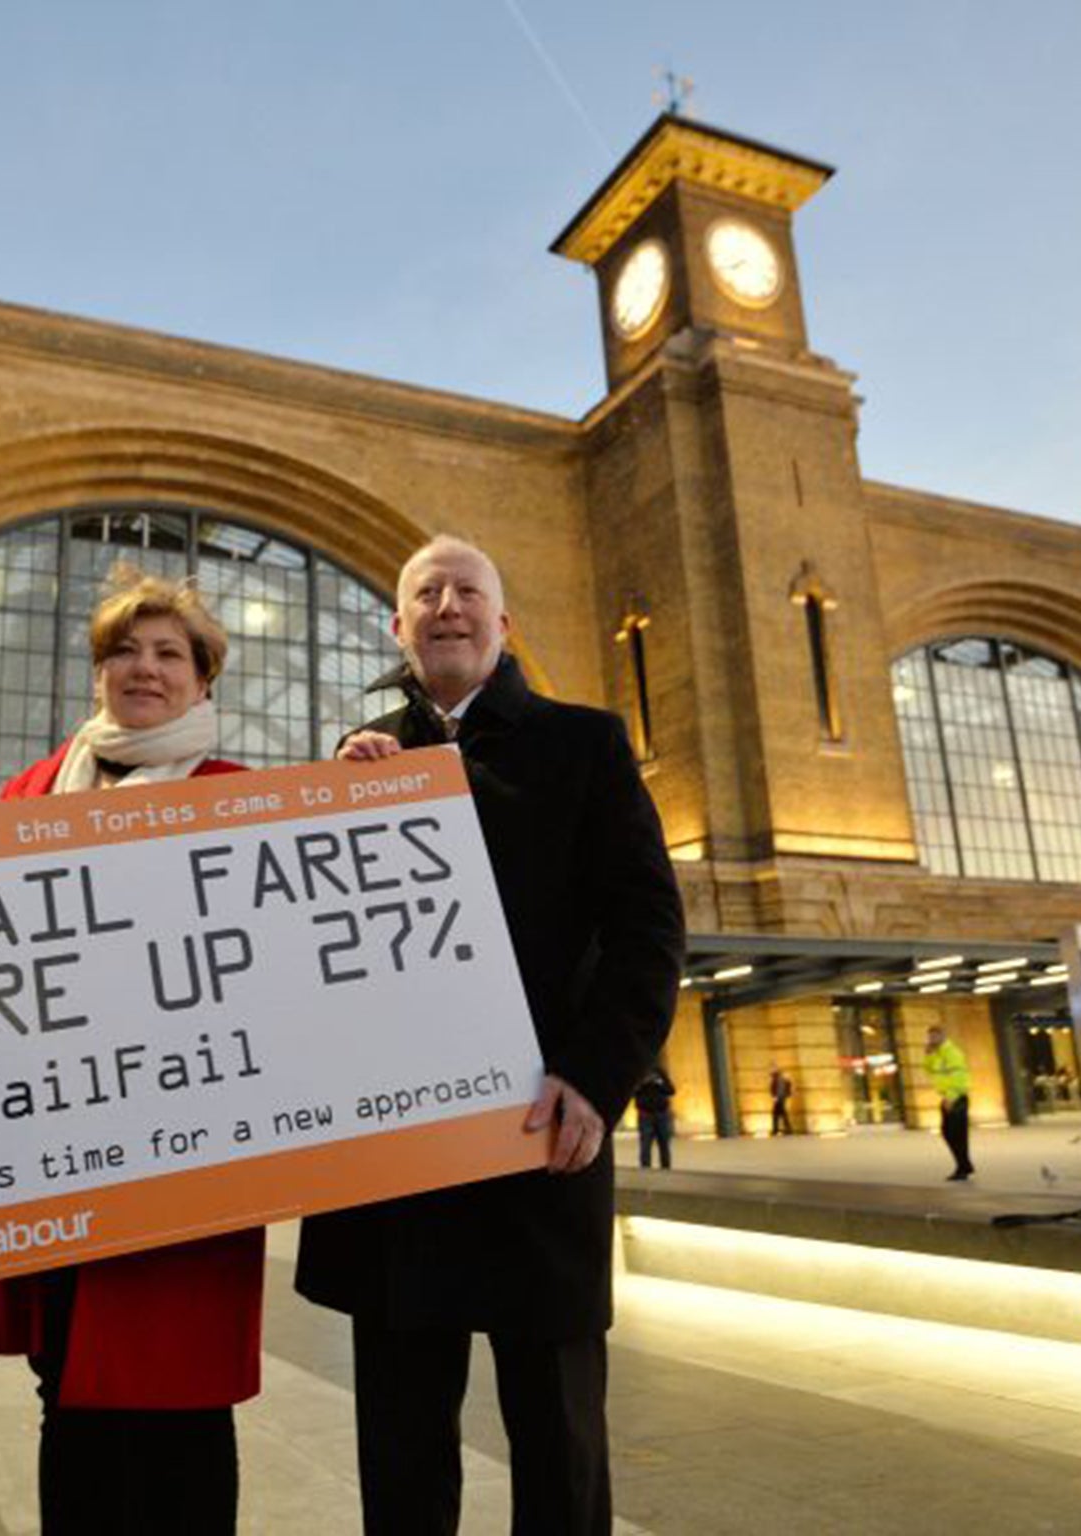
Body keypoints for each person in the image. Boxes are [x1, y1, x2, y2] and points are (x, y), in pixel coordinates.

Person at [295, 535, 686, 1536]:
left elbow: (645, 929)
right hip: (400, 1162)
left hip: (538, 1136)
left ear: (502, 625)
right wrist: (329, 814)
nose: (447, 606)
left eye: (469, 591)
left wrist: (596, 1079)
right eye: (425, 593)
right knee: (401, 1438)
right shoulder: (353, 763)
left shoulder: (583, 745)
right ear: (397, 626)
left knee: (555, 1436)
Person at [0, 569, 263, 1535]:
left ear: (203, 679)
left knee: (186, 1411)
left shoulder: (244, 804)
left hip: (194, 1172)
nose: (145, 668)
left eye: (169, 653)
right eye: (125, 651)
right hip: (65, 1171)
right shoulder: (27, 793)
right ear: (98, 670)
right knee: (70, 1402)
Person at [923, 1025, 975, 1181]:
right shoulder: (938, 1054)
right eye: (930, 1037)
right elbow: (930, 1071)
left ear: (942, 1036)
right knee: (948, 1133)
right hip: (947, 1097)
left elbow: (960, 1077)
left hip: (956, 1097)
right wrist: (928, 1055)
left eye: (934, 1036)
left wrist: (951, 1097)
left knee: (956, 1134)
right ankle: (964, 1165)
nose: (931, 1039)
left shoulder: (952, 1053)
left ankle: (963, 1168)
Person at [633, 1066, 674, 1170]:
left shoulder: (660, 1073)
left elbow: (671, 1090)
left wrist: (659, 1083)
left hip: (662, 1114)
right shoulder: (638, 1072)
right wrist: (643, 1084)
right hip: (645, 1114)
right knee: (645, 1145)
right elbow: (632, 1091)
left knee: (664, 1144)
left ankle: (666, 1168)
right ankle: (645, 1169)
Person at [769, 1064, 794, 1136]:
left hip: (779, 1098)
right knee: (781, 1114)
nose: (770, 1071)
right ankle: (785, 1129)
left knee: (776, 1114)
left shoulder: (779, 1078)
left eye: (772, 1069)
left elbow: (780, 1089)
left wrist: (776, 1097)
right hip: (781, 1098)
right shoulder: (777, 1078)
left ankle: (777, 1130)